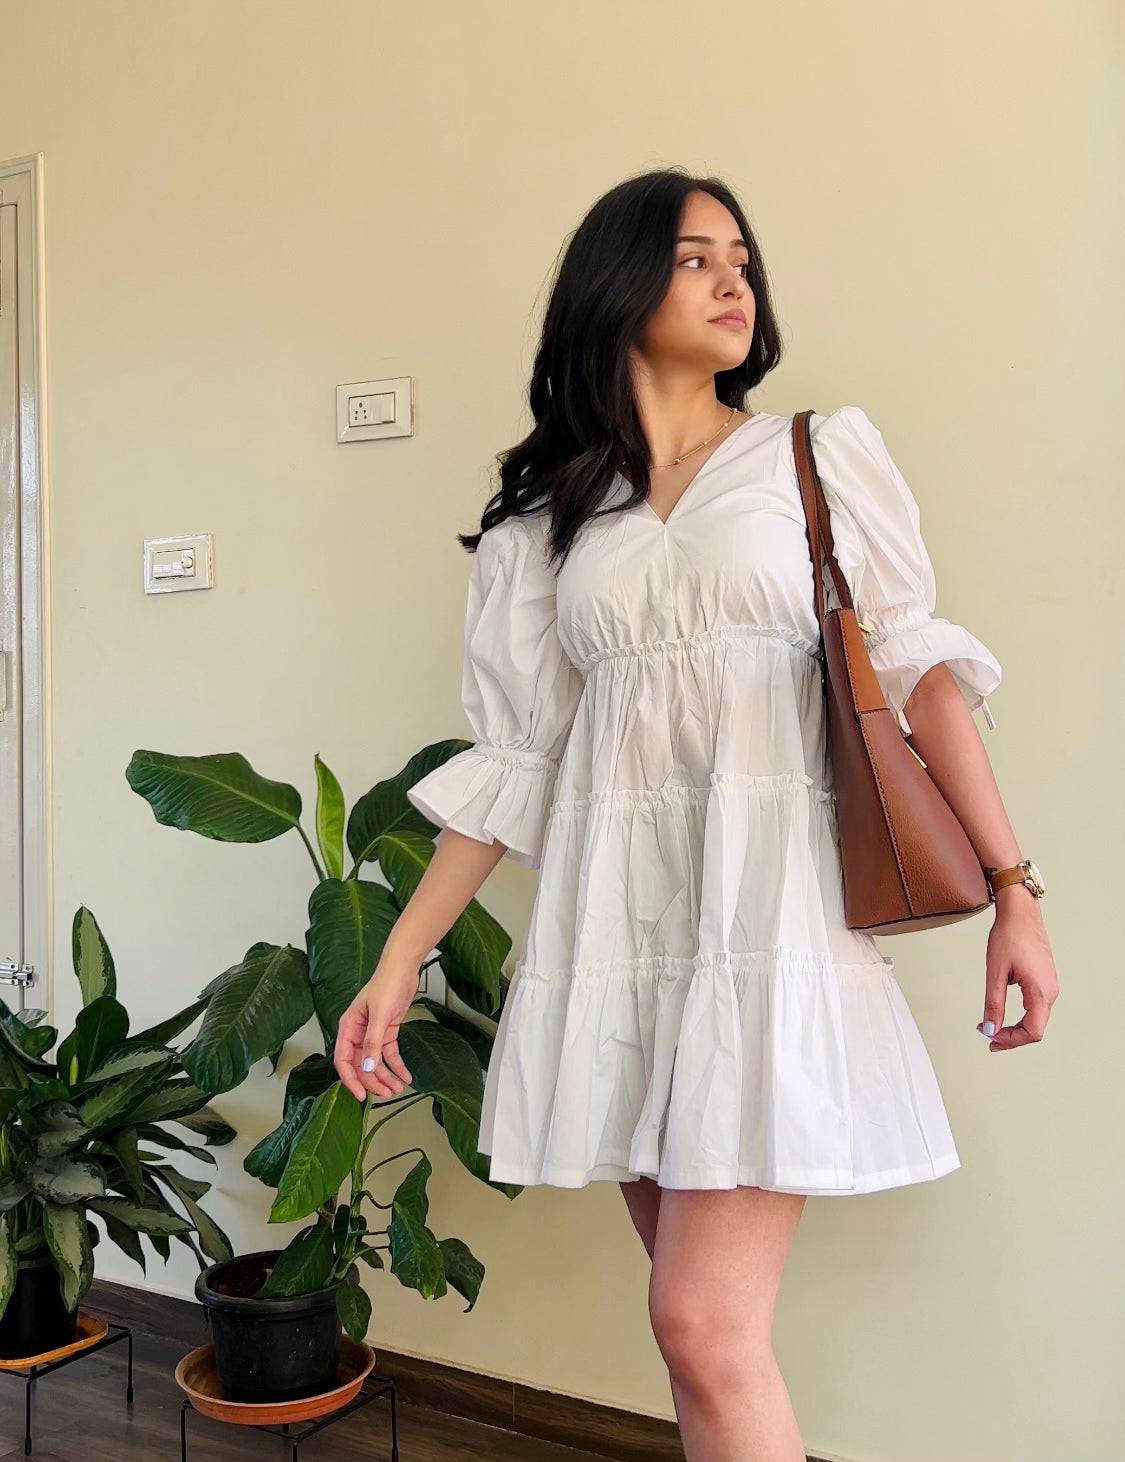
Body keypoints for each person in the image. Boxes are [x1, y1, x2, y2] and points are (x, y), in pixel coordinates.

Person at [333, 167, 1059, 1462]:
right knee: (694, 1339)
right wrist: (397, 962)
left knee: (700, 1324)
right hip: (619, 935)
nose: (735, 281)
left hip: (766, 924)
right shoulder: (549, 522)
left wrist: (1015, 890)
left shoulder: (810, 457)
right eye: (694, 257)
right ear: (617, 283)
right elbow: (514, 763)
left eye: (742, 259)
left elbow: (918, 673)